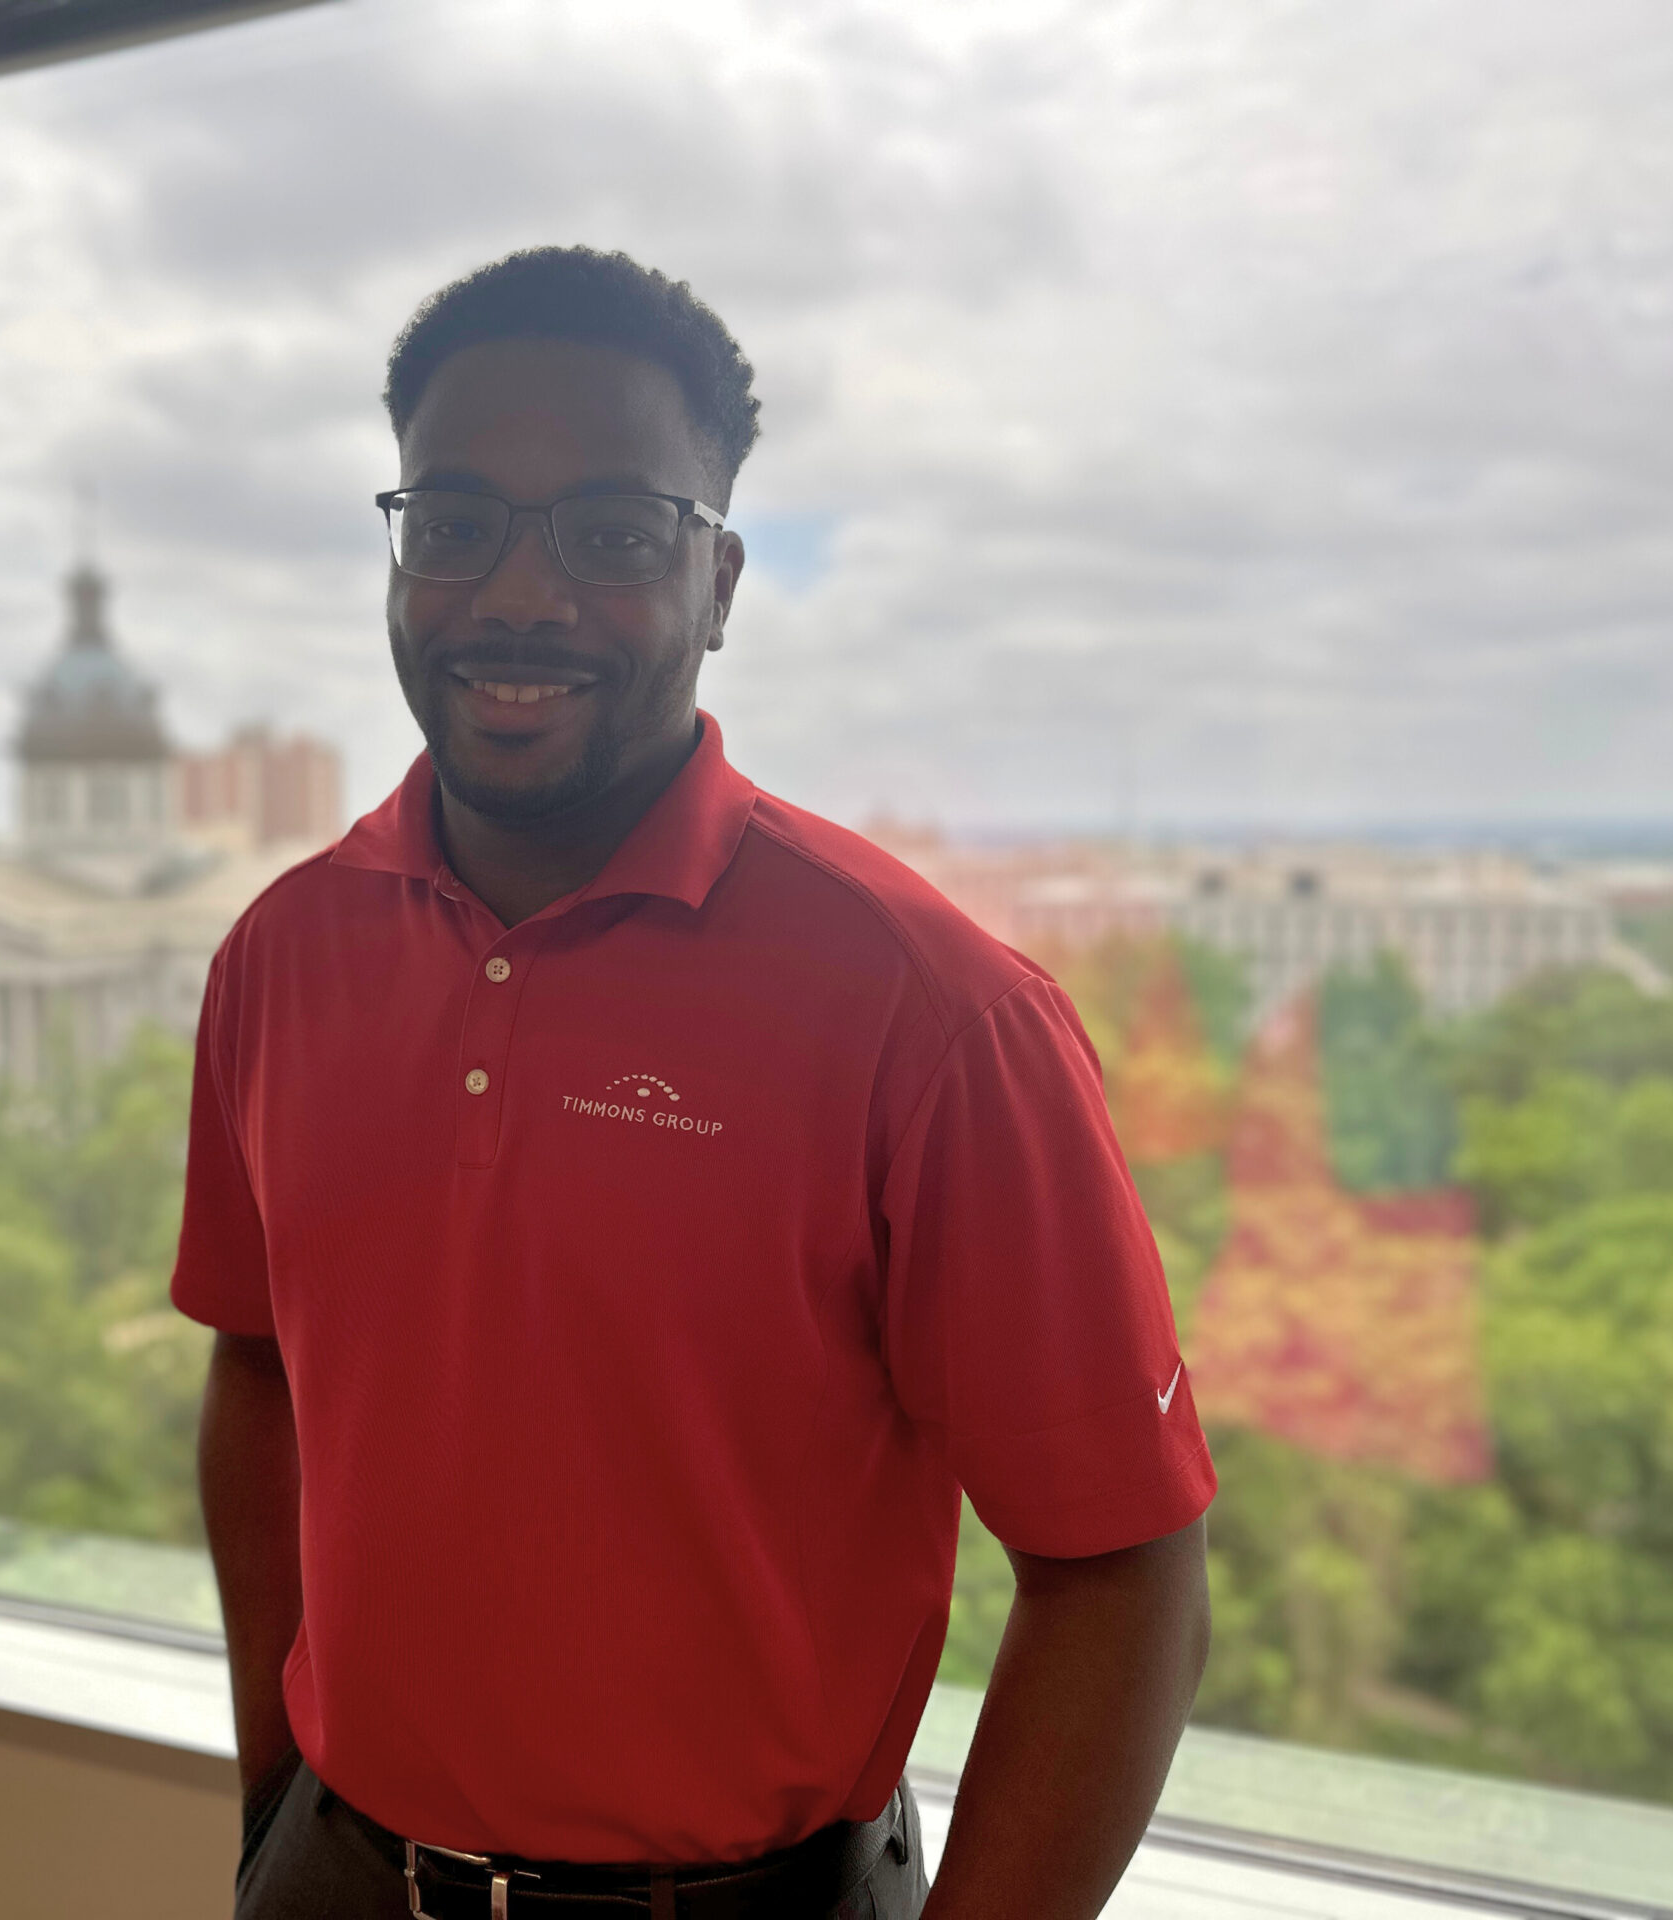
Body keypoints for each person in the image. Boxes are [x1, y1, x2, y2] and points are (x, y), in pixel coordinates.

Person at [174, 246, 1215, 1920]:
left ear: (719, 583)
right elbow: (262, 1368)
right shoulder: (282, 959)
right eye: (453, 524)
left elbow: (1119, 1569)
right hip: (339, 1877)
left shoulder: (934, 1013)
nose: (518, 595)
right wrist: (272, 1799)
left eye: (609, 534)